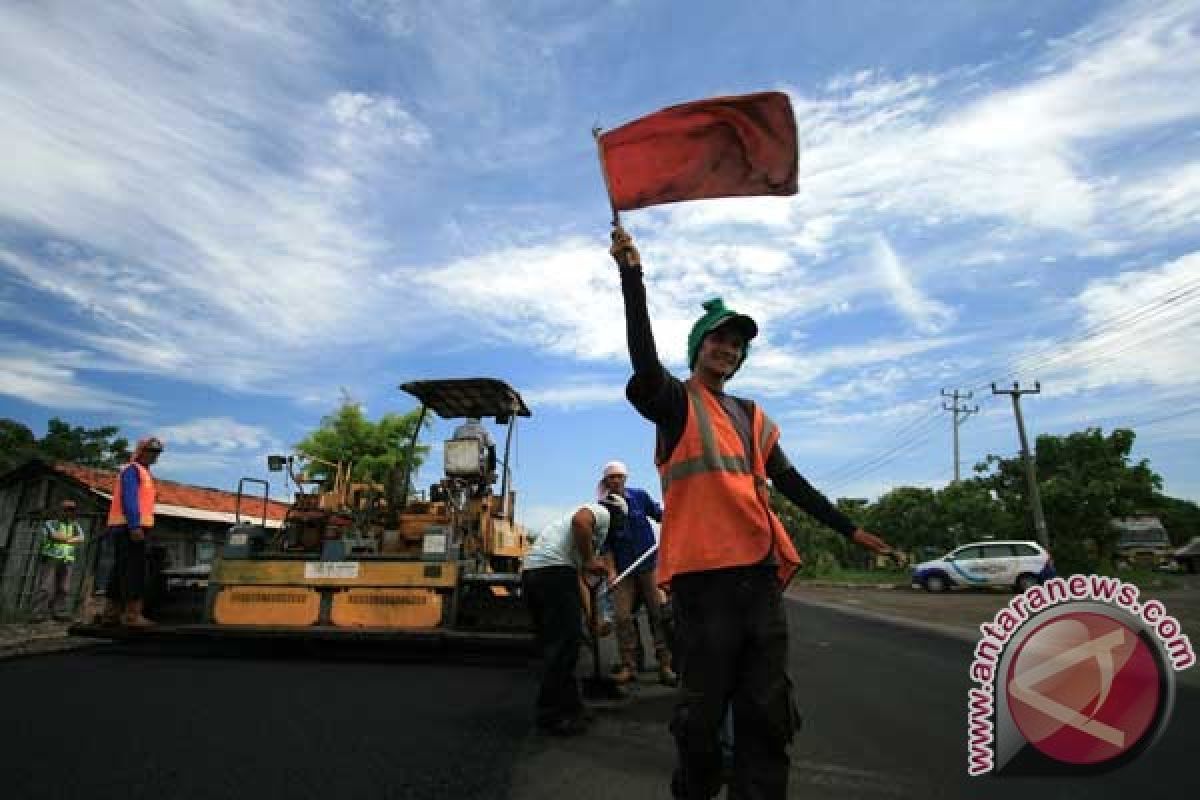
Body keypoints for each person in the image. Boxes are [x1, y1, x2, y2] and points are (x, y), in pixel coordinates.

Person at [609, 227, 895, 800]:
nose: (728, 350)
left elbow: (792, 482)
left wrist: (852, 529)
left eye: (737, 345)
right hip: (702, 583)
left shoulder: (753, 416)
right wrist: (631, 276)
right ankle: (695, 788)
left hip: (759, 577)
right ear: (699, 348)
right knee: (702, 710)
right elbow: (644, 360)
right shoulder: (675, 404)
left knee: (767, 709)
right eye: (718, 340)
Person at [521, 492, 628, 736]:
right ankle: (551, 716)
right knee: (563, 649)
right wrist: (591, 559)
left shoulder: (581, 538)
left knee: (563, 644)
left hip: (535, 575)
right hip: (553, 573)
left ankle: (571, 708)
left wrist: (592, 618)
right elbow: (580, 522)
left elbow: (579, 578)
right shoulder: (599, 513)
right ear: (618, 515)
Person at [595, 460, 676, 686]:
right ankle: (629, 666)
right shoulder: (604, 508)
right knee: (622, 617)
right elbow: (606, 546)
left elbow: (661, 516)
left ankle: (665, 664)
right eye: (612, 477)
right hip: (623, 571)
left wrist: (675, 516)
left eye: (620, 476)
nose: (616, 481)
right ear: (606, 481)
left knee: (658, 614)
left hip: (649, 567)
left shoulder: (640, 497)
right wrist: (611, 572)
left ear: (626, 478)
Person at [101, 436, 164, 627]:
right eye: (150, 452)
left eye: (156, 453)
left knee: (120, 569)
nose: (154, 456)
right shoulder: (132, 471)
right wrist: (135, 526)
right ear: (140, 451)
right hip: (130, 528)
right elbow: (129, 499)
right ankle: (131, 615)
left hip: (127, 527)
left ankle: (111, 613)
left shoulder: (144, 473)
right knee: (134, 571)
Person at [32, 499, 85, 621]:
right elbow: (54, 536)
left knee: (64, 588)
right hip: (51, 558)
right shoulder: (50, 523)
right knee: (45, 587)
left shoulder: (75, 525)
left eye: (71, 511)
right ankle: (38, 613)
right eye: (66, 510)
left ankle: (58, 612)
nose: (69, 513)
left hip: (67, 559)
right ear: (60, 511)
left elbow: (81, 538)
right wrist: (71, 538)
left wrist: (64, 539)